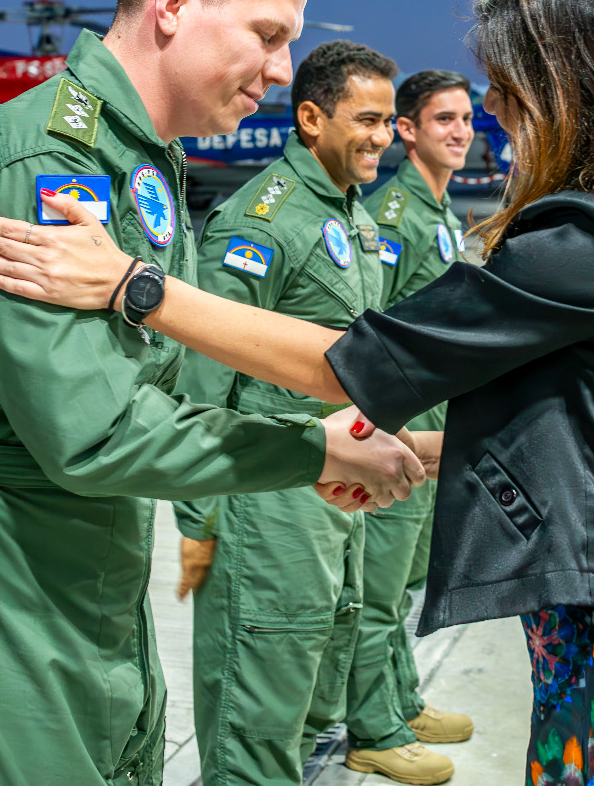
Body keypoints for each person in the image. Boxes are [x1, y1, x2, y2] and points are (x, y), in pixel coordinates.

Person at [0, 0, 594, 785]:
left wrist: (136, 286)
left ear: (572, 89)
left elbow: (347, 365)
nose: (495, 111)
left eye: (508, 87)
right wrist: (419, 453)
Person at [0, 0, 423, 786]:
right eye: (268, 35)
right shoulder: (49, 164)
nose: (284, 72)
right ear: (173, 4)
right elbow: (95, 433)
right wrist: (310, 450)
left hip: (87, 575)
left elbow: (170, 379)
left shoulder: (139, 160)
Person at [169, 40, 454, 786]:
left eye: (388, 121)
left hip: (332, 487)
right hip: (267, 495)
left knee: (312, 678)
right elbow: (204, 371)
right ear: (311, 118)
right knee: (260, 693)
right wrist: (199, 523)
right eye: (366, 120)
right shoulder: (263, 222)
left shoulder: (348, 213)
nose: (382, 137)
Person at [349, 68, 477, 766]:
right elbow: (372, 330)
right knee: (378, 590)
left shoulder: (440, 214)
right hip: (400, 430)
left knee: (403, 584)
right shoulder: (394, 217)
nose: (460, 132)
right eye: (443, 120)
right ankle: (375, 732)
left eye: (466, 119)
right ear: (408, 130)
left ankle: (400, 699)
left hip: (435, 429)